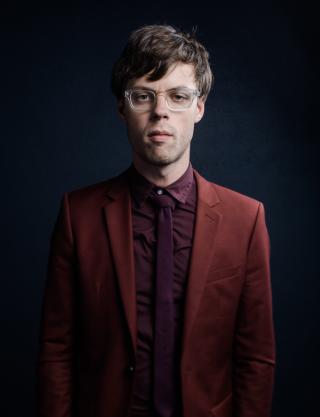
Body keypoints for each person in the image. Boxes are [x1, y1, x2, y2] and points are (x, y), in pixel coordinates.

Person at [37, 24, 276, 417]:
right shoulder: (76, 216)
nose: (161, 110)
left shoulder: (246, 219)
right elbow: (56, 351)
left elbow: (255, 358)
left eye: (178, 96)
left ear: (199, 107)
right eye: (143, 96)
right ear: (122, 108)